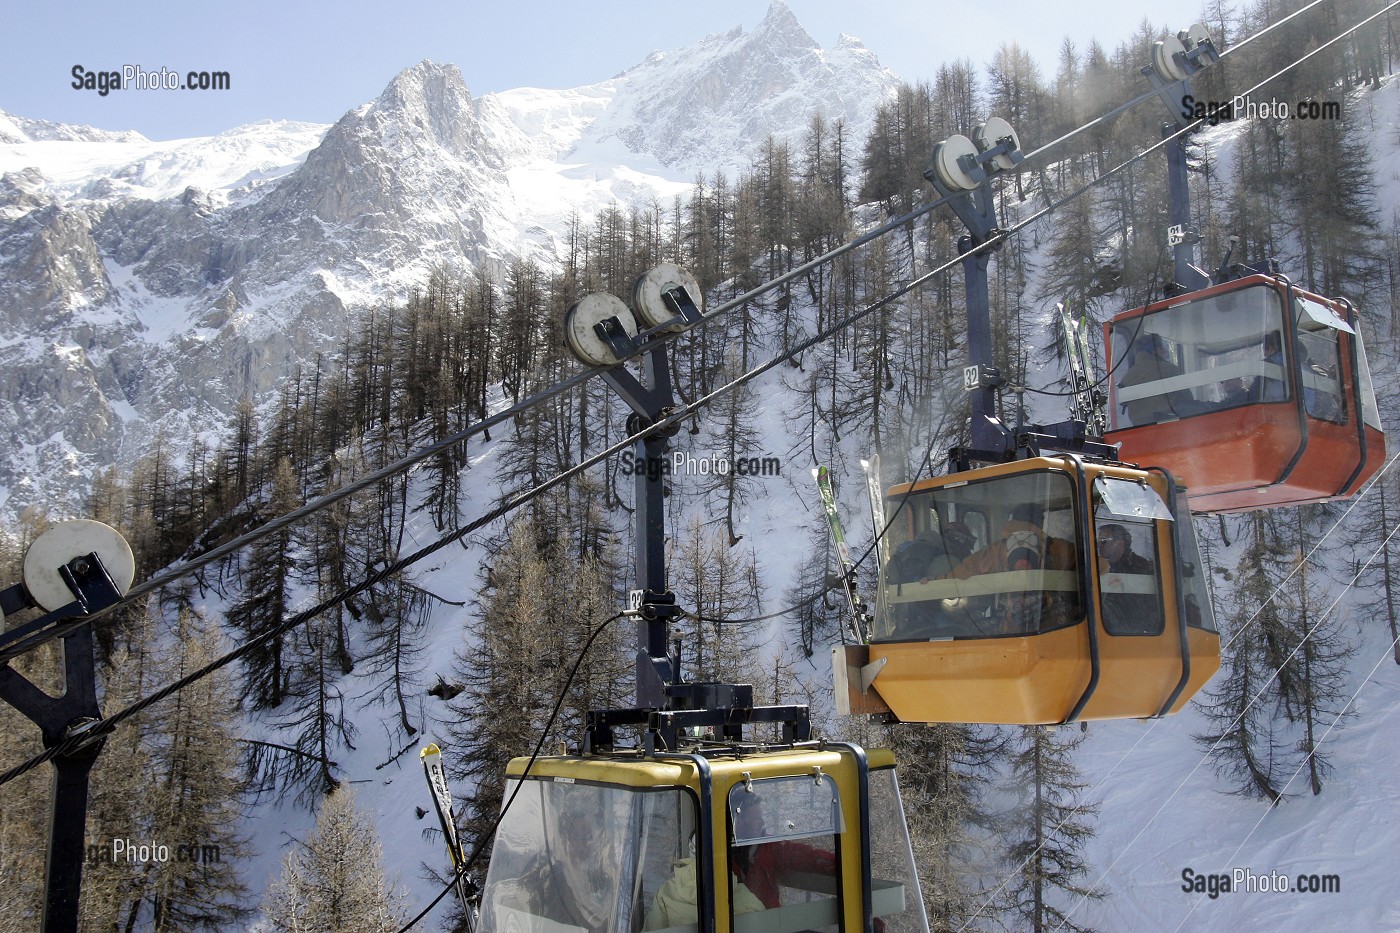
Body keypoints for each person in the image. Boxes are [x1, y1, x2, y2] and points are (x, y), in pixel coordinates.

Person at [946, 504, 1079, 635]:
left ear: (1013, 519)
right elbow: (1093, 568)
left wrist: (932, 581)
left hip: (1009, 628)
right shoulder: (1059, 549)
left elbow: (960, 574)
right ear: (1041, 522)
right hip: (1052, 629)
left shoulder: (994, 552)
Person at [1097, 523, 1161, 635]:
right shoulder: (1099, 566)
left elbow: (1144, 606)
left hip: (1130, 631)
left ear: (1120, 543)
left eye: (1103, 541)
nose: (1099, 545)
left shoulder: (1140, 567)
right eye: (1098, 541)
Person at [1119, 333, 1194, 425]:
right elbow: (1188, 401)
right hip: (1170, 426)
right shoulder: (1169, 369)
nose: (1164, 351)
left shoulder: (1127, 377)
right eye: (1161, 348)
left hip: (1139, 431)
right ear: (1156, 350)